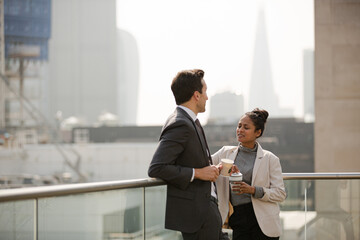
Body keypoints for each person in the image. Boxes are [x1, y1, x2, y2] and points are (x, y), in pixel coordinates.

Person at [148, 69, 228, 240]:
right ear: (196, 95)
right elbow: (157, 168)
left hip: (206, 210)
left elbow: (194, 160)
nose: (207, 97)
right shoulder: (181, 124)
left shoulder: (190, 121)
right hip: (199, 215)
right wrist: (198, 173)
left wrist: (212, 169)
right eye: (205, 92)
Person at [212, 108, 286, 240]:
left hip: (264, 221)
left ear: (258, 132)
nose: (240, 130)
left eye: (246, 127)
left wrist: (252, 190)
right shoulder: (225, 153)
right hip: (238, 218)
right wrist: (220, 167)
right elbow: (204, 164)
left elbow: (280, 193)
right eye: (239, 126)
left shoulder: (270, 159)